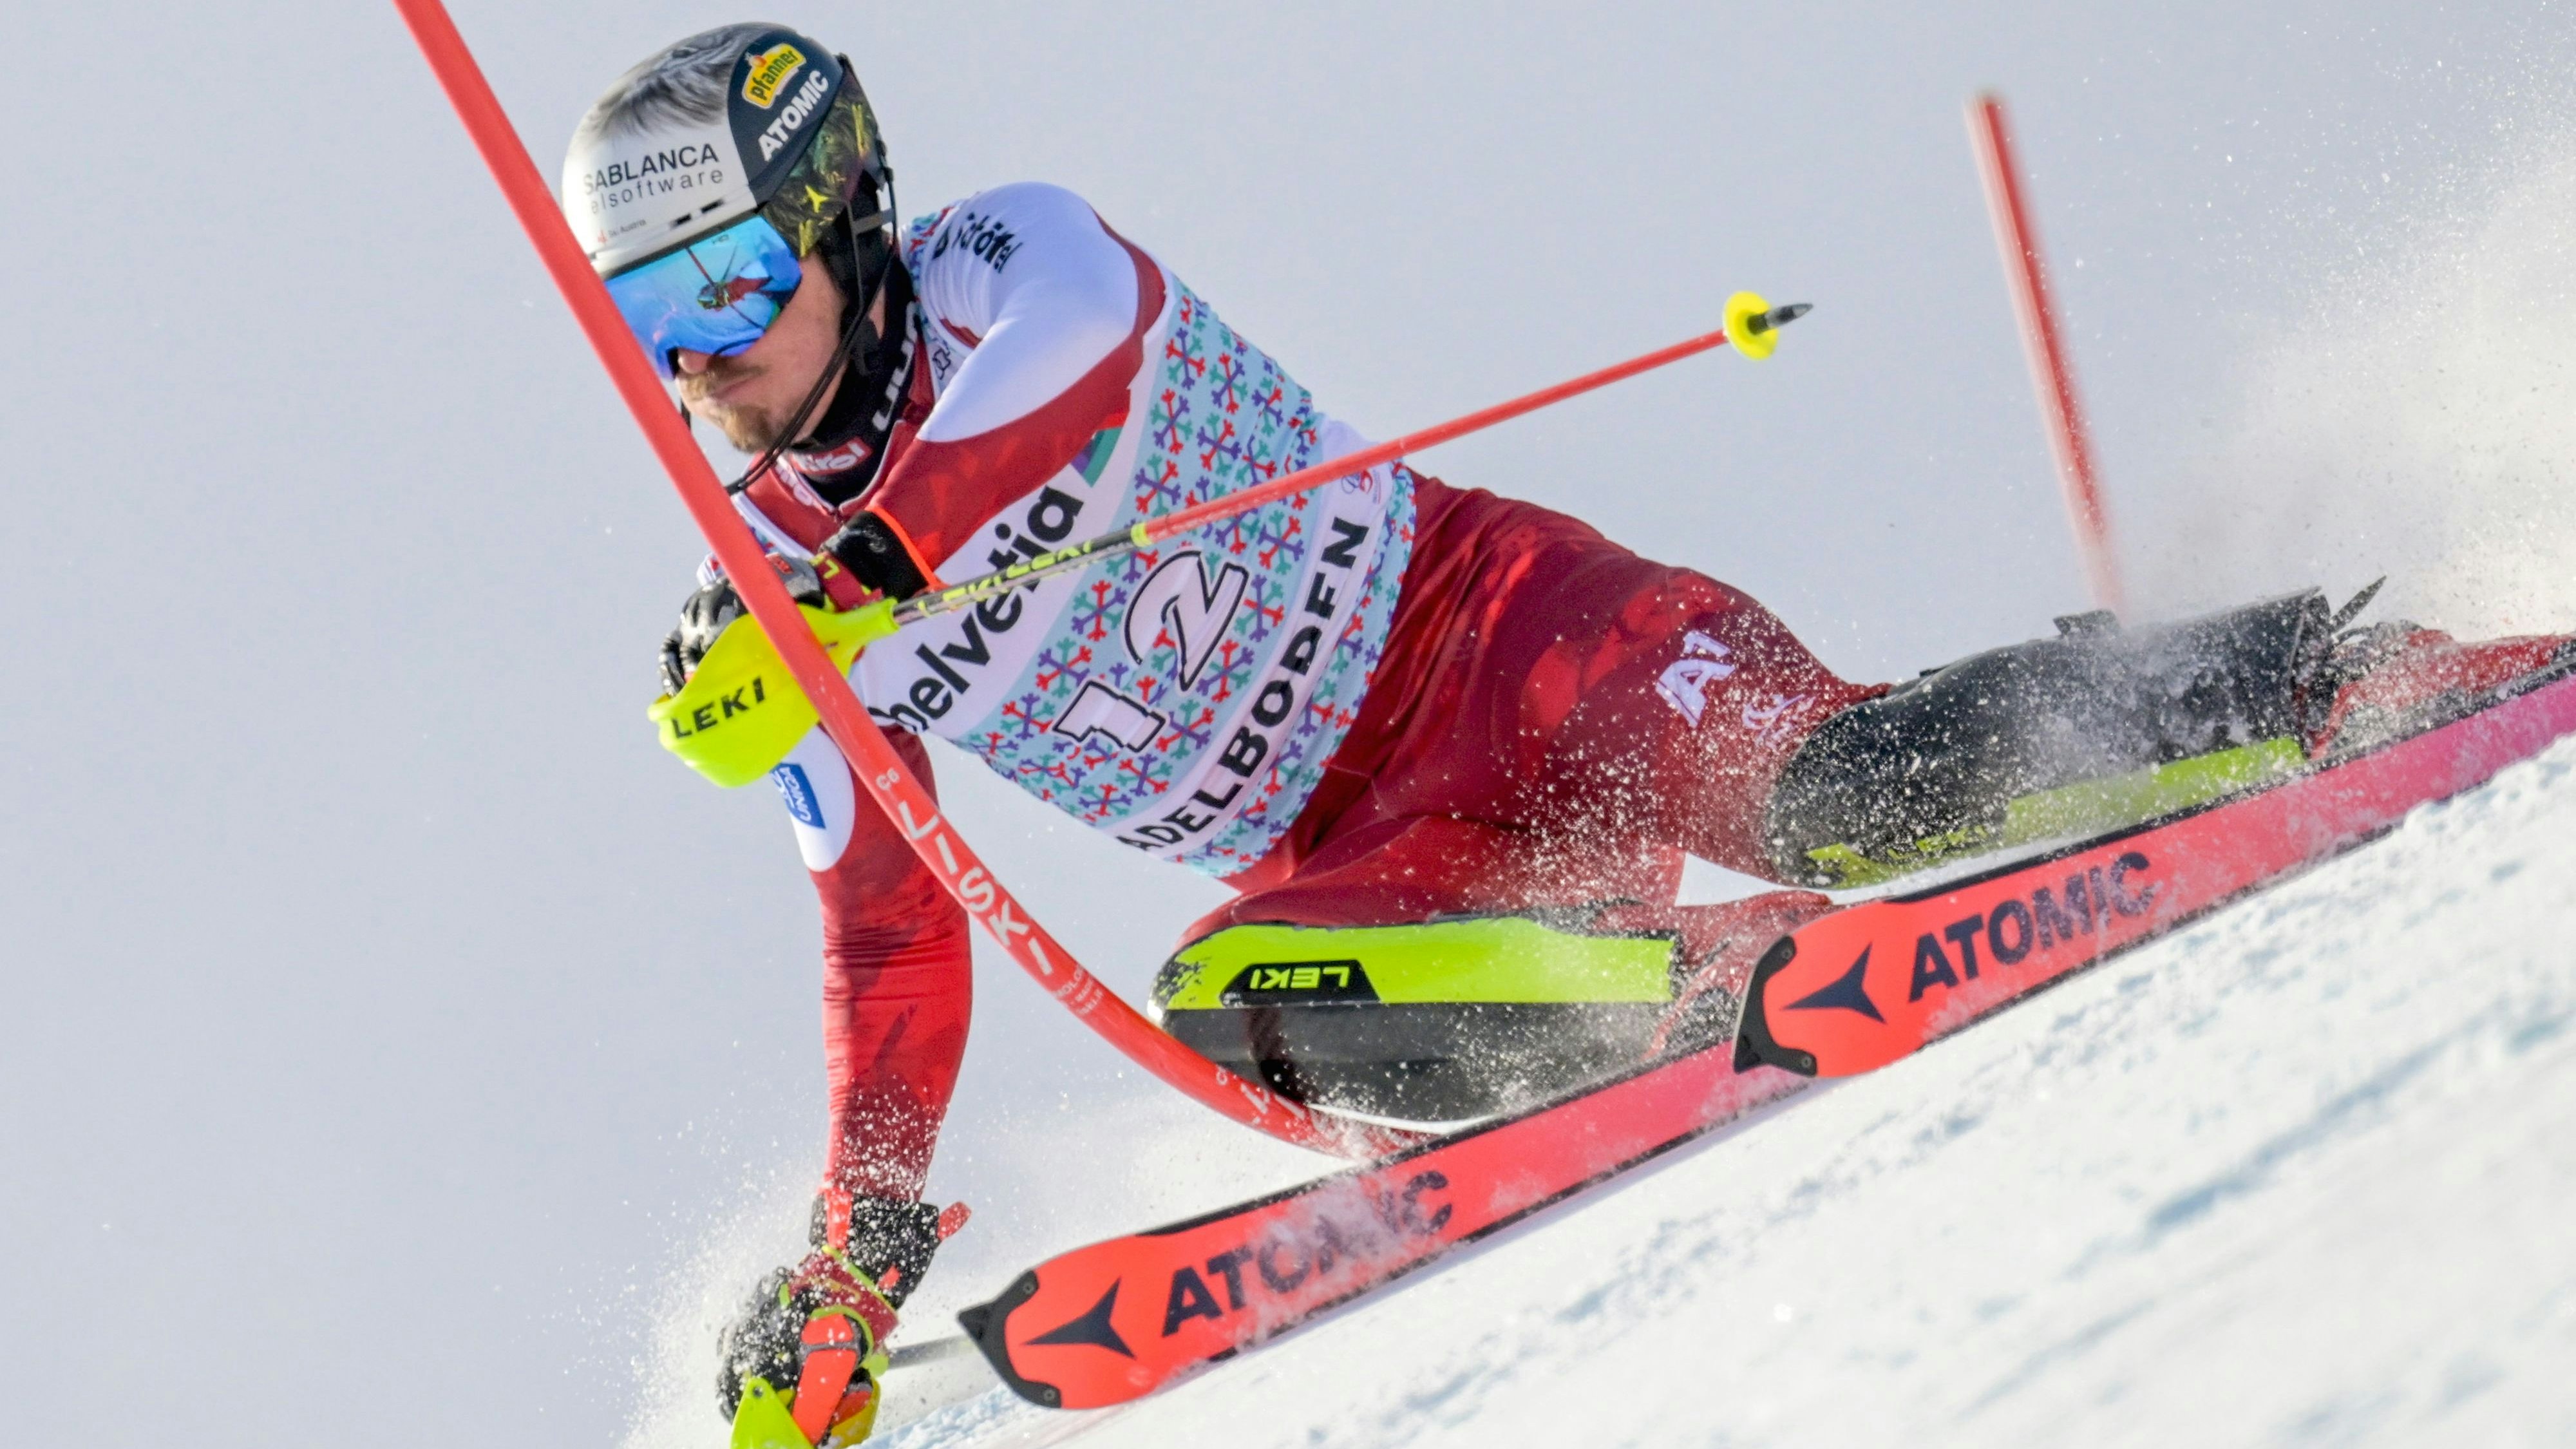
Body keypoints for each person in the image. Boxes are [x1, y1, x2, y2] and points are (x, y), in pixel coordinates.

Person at [562, 25, 2574, 1444]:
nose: (711, 364)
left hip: (1509, 637)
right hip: (1389, 847)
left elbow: (1048, 418)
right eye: (654, 326)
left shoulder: (1016, 268)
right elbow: (894, 939)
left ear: (847, 219)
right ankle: (1732, 993)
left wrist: (837, 593)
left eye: (733, 283)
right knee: (1230, 999)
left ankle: (2336, 690)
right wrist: (851, 1253)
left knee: (1840, 788)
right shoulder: (783, 606)